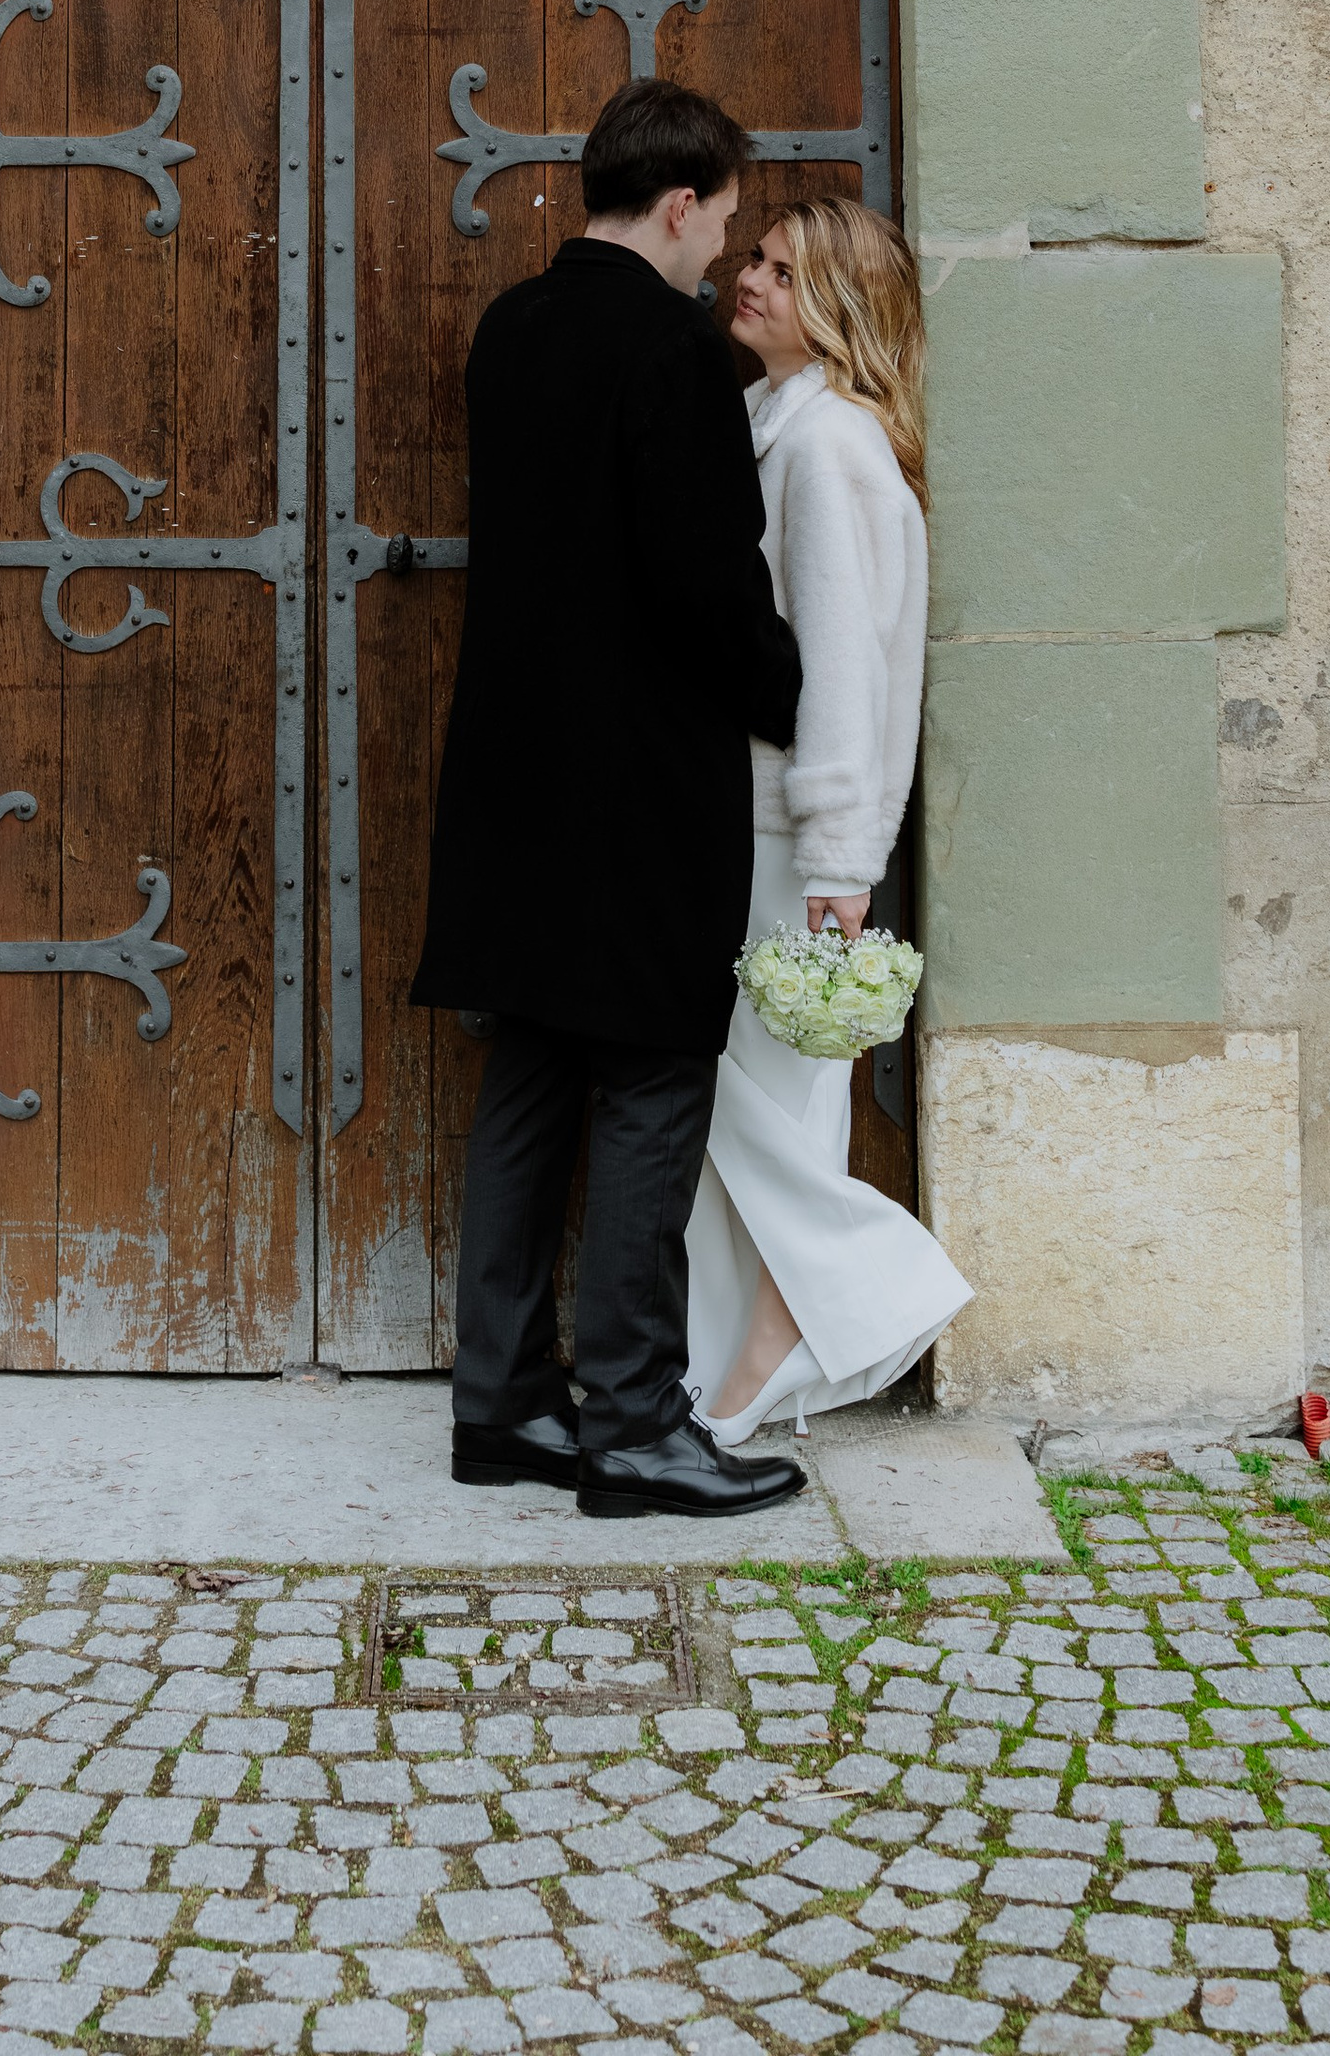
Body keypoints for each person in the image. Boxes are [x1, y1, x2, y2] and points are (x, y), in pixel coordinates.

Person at [411, 78, 814, 1523]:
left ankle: (505, 1404)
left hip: (514, 774)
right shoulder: (671, 351)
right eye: (726, 224)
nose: (727, 257)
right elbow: (709, 585)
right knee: (650, 1089)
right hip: (639, 785)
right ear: (683, 202)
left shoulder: (512, 327)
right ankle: (636, 1427)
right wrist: (793, 693)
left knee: (528, 1077)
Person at [685, 199, 975, 1441]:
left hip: (785, 830)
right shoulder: (778, 426)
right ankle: (740, 1365)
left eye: (784, 272)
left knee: (745, 1093)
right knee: (760, 1096)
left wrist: (842, 860)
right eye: (753, 256)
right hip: (769, 820)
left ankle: (847, 1290)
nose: (749, 278)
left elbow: (847, 671)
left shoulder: (825, 449)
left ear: (840, 313)